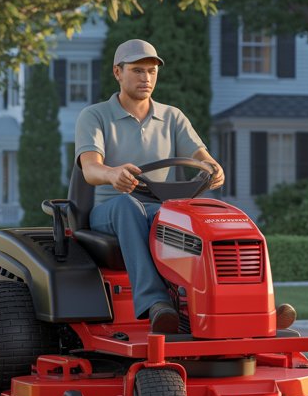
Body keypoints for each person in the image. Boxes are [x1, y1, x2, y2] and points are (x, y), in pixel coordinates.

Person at [74, 39, 224, 334]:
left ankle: (225, 304)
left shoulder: (172, 116)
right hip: (110, 210)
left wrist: (213, 168)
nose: (146, 78)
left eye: (152, 72)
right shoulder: (94, 116)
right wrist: (112, 173)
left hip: (159, 207)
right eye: (138, 71)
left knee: (201, 218)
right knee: (128, 206)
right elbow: (90, 169)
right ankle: (156, 304)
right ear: (117, 72)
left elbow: (202, 157)